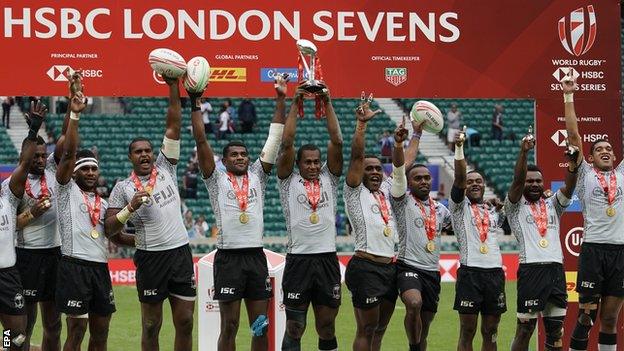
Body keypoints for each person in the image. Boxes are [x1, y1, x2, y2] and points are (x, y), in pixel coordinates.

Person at [189, 74, 286, 351]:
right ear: (225, 159)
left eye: (244, 154)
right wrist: (196, 103)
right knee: (229, 326)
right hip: (228, 258)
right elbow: (201, 140)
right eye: (234, 155)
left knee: (260, 326)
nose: (241, 158)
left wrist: (280, 99)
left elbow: (275, 138)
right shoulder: (215, 178)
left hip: (256, 256)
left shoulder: (259, 174)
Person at [105, 76, 195, 351]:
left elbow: (173, 125)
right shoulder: (122, 188)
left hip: (179, 253)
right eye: (138, 152)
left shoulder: (166, 167)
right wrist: (130, 209)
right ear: (130, 157)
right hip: (150, 259)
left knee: (185, 321)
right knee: (151, 325)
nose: (144, 155)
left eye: (147, 150)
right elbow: (110, 229)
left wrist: (172, 86)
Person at [55, 84, 132, 351]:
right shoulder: (65, 191)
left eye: (94, 169)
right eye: (84, 169)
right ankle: (7, 343)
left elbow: (115, 234)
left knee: (101, 332)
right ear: (74, 173)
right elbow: (66, 153)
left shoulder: (105, 202)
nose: (90, 173)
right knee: (76, 331)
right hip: (74, 267)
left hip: (99, 268)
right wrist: (74, 115)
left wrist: (142, 238)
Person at [276, 81, 343, 351]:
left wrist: (326, 103)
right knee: (295, 326)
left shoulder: (331, 178)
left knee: (326, 326)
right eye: (308, 162)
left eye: (317, 161)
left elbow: (337, 141)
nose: (314, 166)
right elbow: (287, 142)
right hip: (298, 261)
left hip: (327, 259)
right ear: (298, 164)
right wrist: (296, 103)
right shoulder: (287, 181)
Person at [561, 76, 624, 351]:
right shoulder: (586, 173)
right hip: (593, 250)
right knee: (586, 317)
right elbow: (574, 135)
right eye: (599, 149)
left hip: (620, 252)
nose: (606, 152)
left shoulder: (622, 174)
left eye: (609, 149)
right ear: (591, 156)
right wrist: (568, 95)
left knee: (610, 318)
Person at [506, 126, 580, 350]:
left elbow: (570, 186)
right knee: (525, 330)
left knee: (556, 332)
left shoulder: (553, 204)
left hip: (556, 271)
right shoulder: (514, 206)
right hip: (531, 270)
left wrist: (572, 164)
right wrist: (524, 153)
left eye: (539, 181)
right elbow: (517, 183)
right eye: (530, 181)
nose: (535, 184)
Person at [10, 97, 70, 351]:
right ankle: (5, 348)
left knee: (54, 324)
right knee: (17, 327)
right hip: (25, 257)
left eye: (43, 156)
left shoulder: (54, 175)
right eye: (34, 156)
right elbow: (8, 225)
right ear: (25, 156)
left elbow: (67, 139)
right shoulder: (12, 186)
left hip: (54, 255)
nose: (40, 160)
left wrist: (73, 111)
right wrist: (32, 213)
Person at [390, 119, 451, 351]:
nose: (423, 181)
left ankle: (414, 347)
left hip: (432, 272)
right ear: (409, 182)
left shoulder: (440, 210)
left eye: (427, 178)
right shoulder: (402, 200)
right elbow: (398, 172)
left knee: (424, 330)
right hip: (408, 266)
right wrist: (407, 140)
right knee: (413, 304)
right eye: (418, 178)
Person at [344, 92, 398, 351]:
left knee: (380, 330)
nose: (375, 171)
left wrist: (416, 134)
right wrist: (362, 125)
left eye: (378, 168)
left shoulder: (386, 190)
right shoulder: (355, 191)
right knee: (365, 328)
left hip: (390, 268)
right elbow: (356, 157)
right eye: (369, 168)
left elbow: (404, 164)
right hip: (366, 267)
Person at [450, 129, 507, 351]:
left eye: (479, 181)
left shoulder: (494, 210)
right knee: (467, 331)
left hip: (494, 273)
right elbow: (459, 179)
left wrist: (502, 208)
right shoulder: (458, 207)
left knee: (491, 332)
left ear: (484, 186)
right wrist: (459, 148)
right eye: (470, 181)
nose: (474, 184)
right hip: (470, 273)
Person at [0, 101, 46, 351]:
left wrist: (33, 132)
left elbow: (25, 165)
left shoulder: (7, 196)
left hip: (7, 275)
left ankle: (6, 348)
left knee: (15, 333)